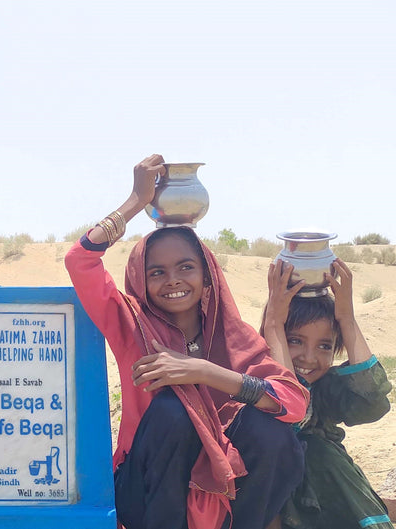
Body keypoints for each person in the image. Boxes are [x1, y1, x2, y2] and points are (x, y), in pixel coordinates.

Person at [63, 154, 310, 529]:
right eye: (157, 272)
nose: (173, 280)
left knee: (272, 433)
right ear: (140, 281)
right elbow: (80, 260)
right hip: (146, 494)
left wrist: (202, 371)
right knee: (172, 412)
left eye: (185, 267)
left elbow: (292, 403)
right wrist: (136, 201)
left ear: (207, 276)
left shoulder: (233, 337)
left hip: (222, 492)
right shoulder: (131, 323)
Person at [263, 259, 393, 529]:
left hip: (326, 504)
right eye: (295, 341)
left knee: (321, 452)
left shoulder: (322, 389)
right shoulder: (249, 384)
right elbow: (290, 411)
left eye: (324, 346)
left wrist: (347, 319)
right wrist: (274, 325)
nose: (309, 358)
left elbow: (372, 403)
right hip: (270, 509)